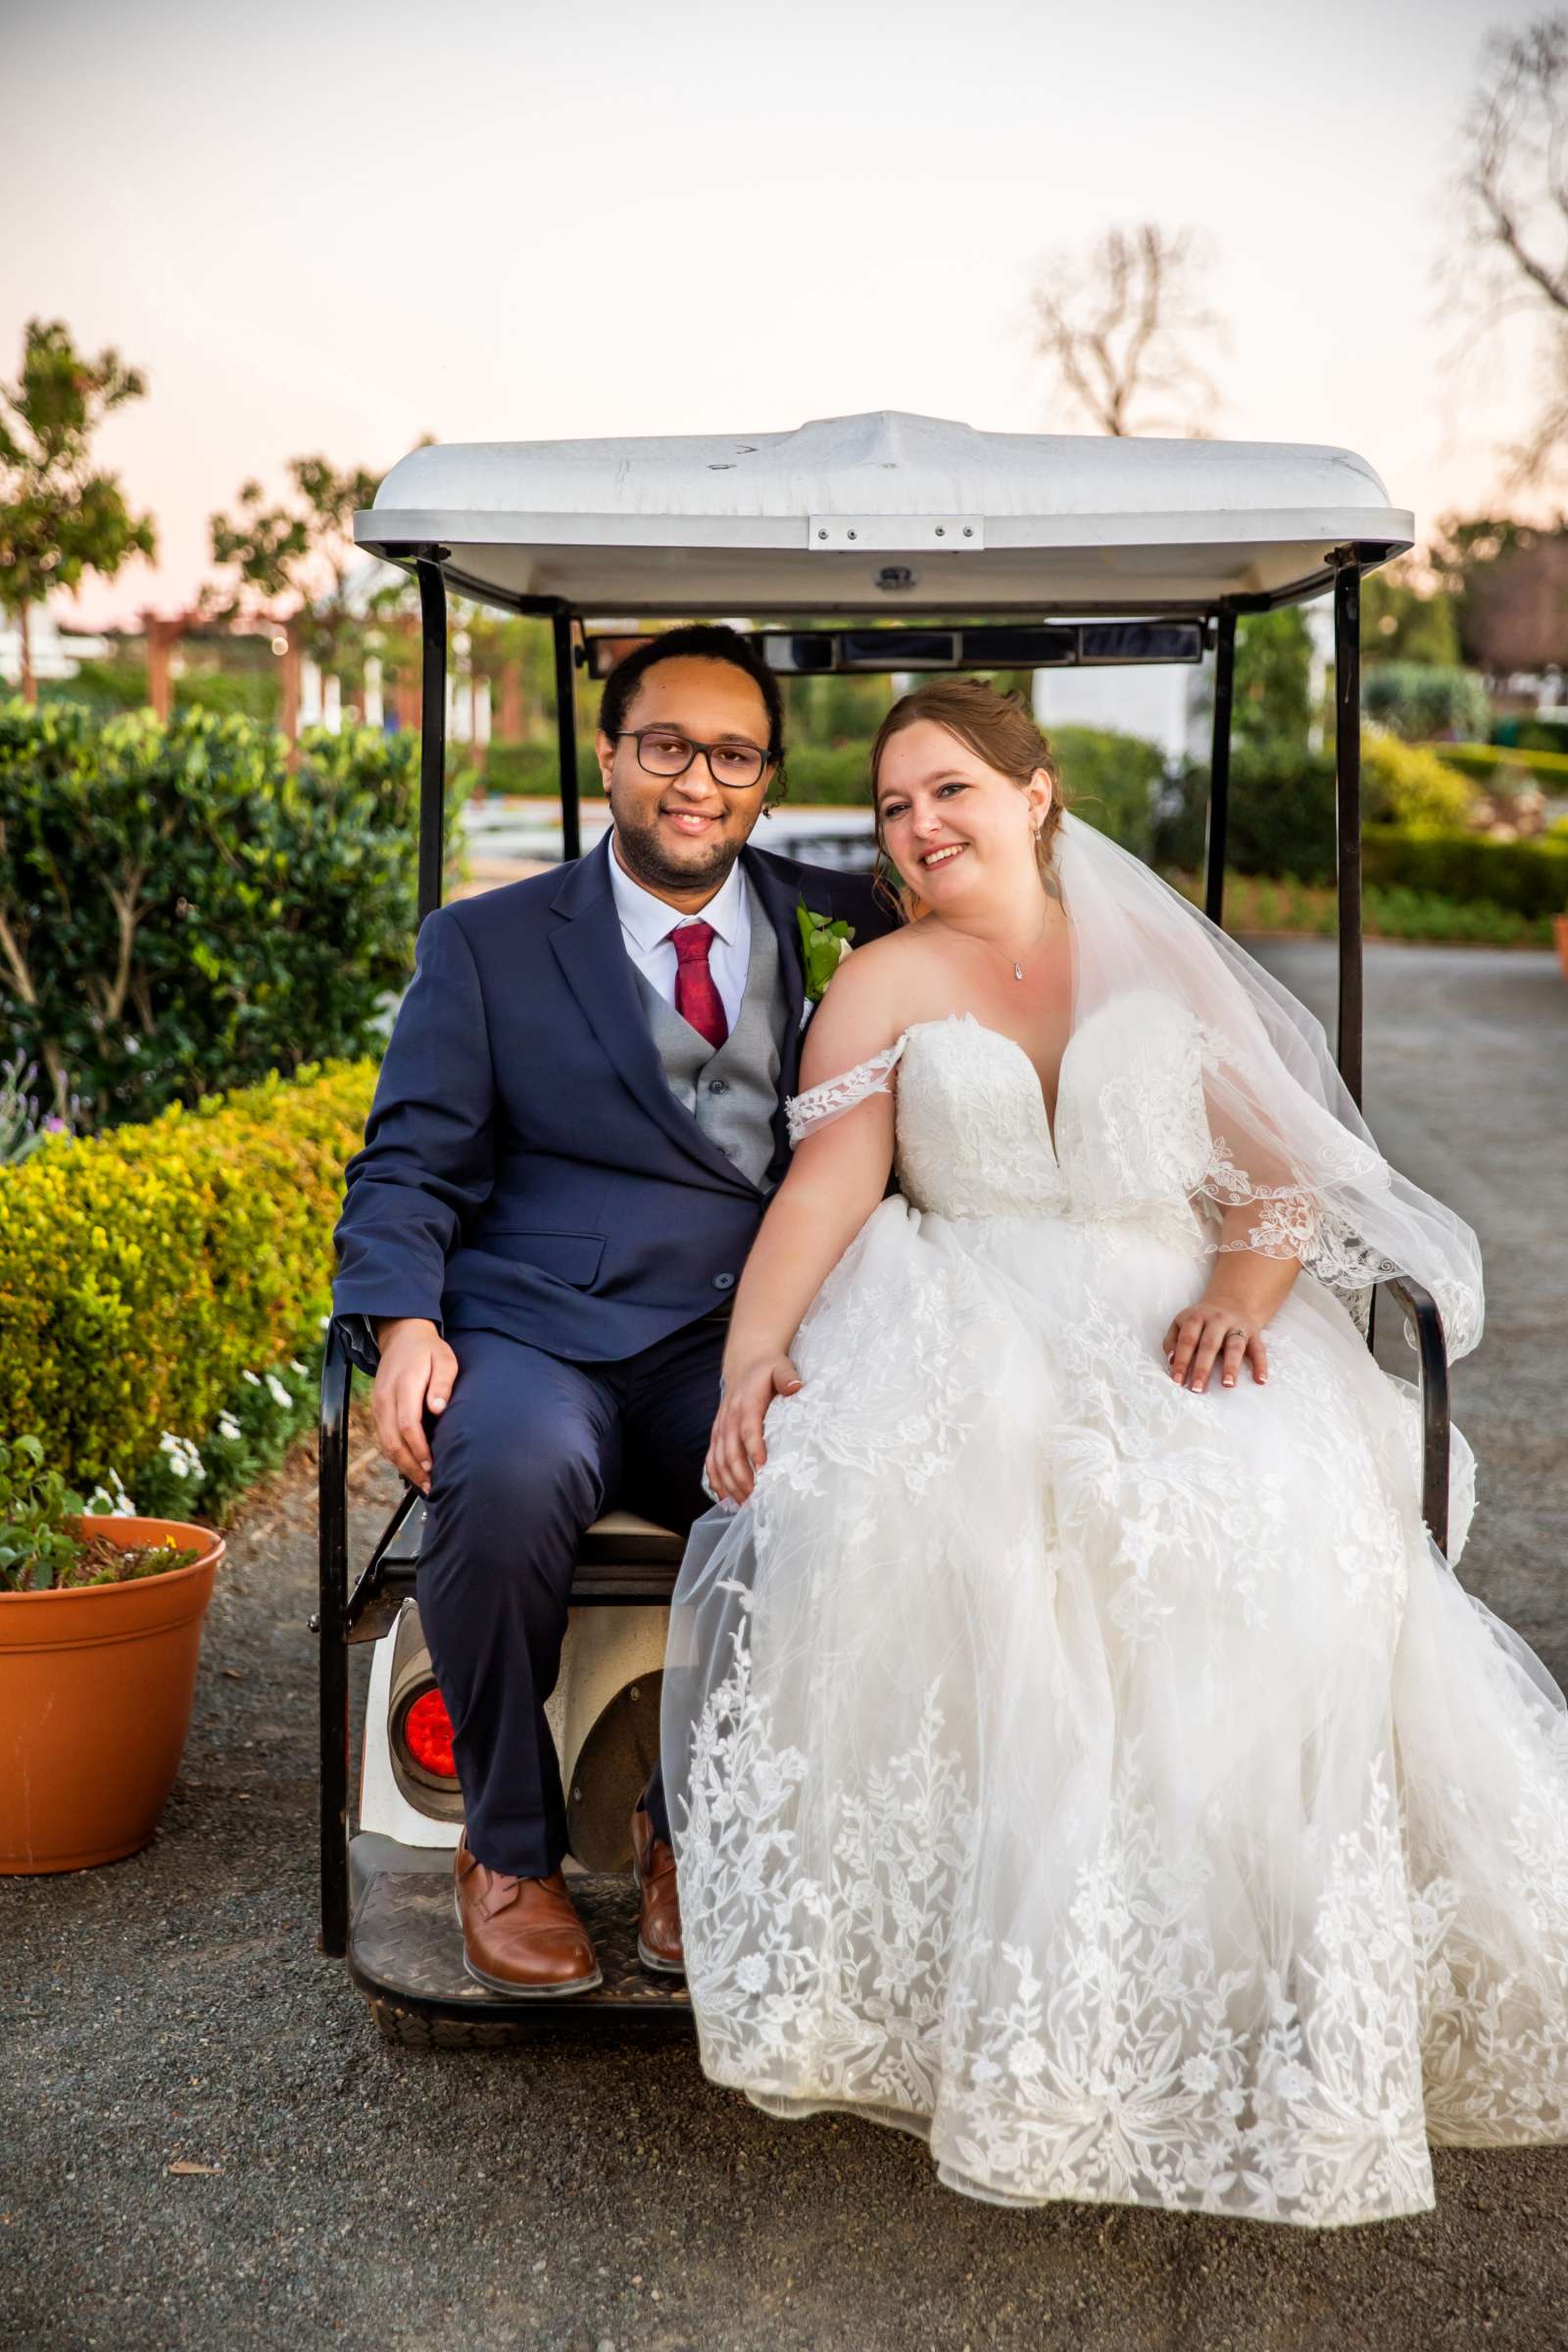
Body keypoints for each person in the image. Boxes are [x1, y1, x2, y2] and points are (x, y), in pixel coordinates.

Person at [661, 677, 1568, 2226]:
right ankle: (1028, 2005)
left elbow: (1279, 1185)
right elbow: (828, 1186)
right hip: (976, 1309)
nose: (920, 824)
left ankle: (1239, 1967)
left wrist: (1234, 1293)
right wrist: (758, 1355)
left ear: (1036, 793)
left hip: (1173, 1313)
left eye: (948, 787)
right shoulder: (882, 981)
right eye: (891, 806)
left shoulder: (1164, 965)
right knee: (985, 1522)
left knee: (1275, 1526)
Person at [332, 625, 893, 1998]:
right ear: (609, 756)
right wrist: (405, 1323)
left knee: (811, 1487)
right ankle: (507, 1851)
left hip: (741, 1333)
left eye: (733, 754)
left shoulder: (853, 920)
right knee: (510, 1477)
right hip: (540, 1330)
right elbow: (406, 1162)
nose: (696, 780)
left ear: (766, 779)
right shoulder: (487, 944)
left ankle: (689, 1840)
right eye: (665, 746)